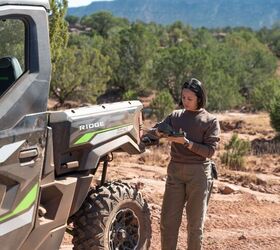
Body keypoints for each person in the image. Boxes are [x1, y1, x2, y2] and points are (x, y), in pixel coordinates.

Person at [146, 78, 220, 250]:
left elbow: (210, 151)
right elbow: (153, 133)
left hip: (199, 174)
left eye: (190, 99)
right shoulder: (175, 116)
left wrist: (185, 142)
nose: (185, 102)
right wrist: (158, 132)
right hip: (175, 172)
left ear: (199, 98)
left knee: (195, 226)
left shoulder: (210, 120)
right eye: (183, 97)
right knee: (167, 223)